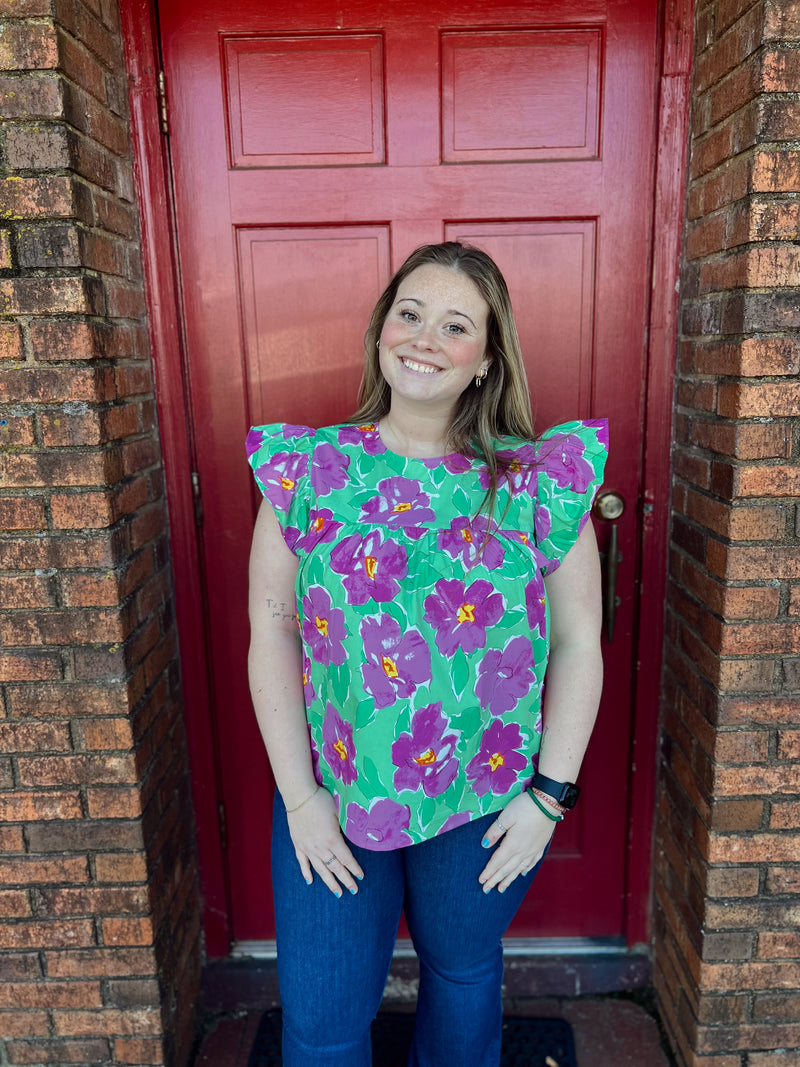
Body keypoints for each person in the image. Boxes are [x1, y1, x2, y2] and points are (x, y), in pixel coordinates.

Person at [246, 241, 607, 1067]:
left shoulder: (535, 482)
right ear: (382, 331)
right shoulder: (310, 472)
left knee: (463, 971)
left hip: (481, 794)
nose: (424, 339)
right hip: (335, 793)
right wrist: (301, 799)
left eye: (455, 326)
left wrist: (549, 797)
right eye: (409, 314)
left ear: (485, 360)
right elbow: (272, 627)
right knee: (324, 1020)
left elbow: (580, 640)